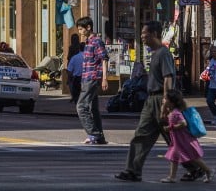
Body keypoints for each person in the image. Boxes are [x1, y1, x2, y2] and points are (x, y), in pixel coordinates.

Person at [115, 20, 175, 183]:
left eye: (144, 33)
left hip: (160, 99)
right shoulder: (155, 53)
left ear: (154, 34)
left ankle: (195, 167)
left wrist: (166, 101)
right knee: (141, 135)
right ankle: (133, 170)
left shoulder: (163, 53)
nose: (142, 37)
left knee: (175, 138)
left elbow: (168, 78)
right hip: (151, 100)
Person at [159, 88, 213, 184]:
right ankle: (172, 177)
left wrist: (171, 127)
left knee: (194, 158)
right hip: (177, 141)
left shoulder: (176, 113)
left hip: (184, 140)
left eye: (165, 98)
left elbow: (183, 123)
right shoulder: (171, 112)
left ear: (171, 101)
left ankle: (208, 170)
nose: (163, 100)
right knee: (174, 158)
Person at [74, 17, 108, 145]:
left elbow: (104, 59)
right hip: (86, 78)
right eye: (79, 29)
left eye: (81, 29)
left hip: (92, 78)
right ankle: (100, 136)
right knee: (93, 109)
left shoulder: (96, 41)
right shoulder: (88, 42)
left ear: (88, 27)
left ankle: (93, 134)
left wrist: (104, 79)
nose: (80, 32)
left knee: (81, 107)